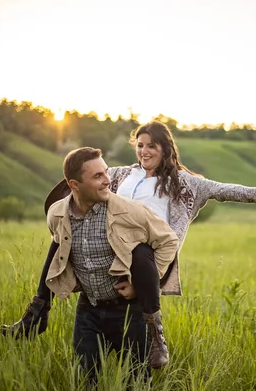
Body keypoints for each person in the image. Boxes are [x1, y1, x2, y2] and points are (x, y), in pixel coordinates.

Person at [2, 121, 256, 369]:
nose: (144, 151)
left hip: (148, 249)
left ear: (165, 149)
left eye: (151, 146)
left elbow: (222, 189)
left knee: (141, 251)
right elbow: (83, 179)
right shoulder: (121, 173)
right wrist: (62, 206)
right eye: (140, 145)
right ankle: (37, 311)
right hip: (114, 244)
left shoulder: (183, 182)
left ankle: (156, 331)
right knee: (60, 241)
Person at [28, 146, 178, 385]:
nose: (107, 180)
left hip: (129, 311)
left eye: (106, 172)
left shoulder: (129, 211)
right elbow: (59, 246)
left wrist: (141, 286)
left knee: (137, 382)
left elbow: (169, 241)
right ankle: (35, 312)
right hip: (88, 310)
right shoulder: (56, 213)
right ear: (75, 185)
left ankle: (155, 330)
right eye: (98, 176)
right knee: (85, 380)